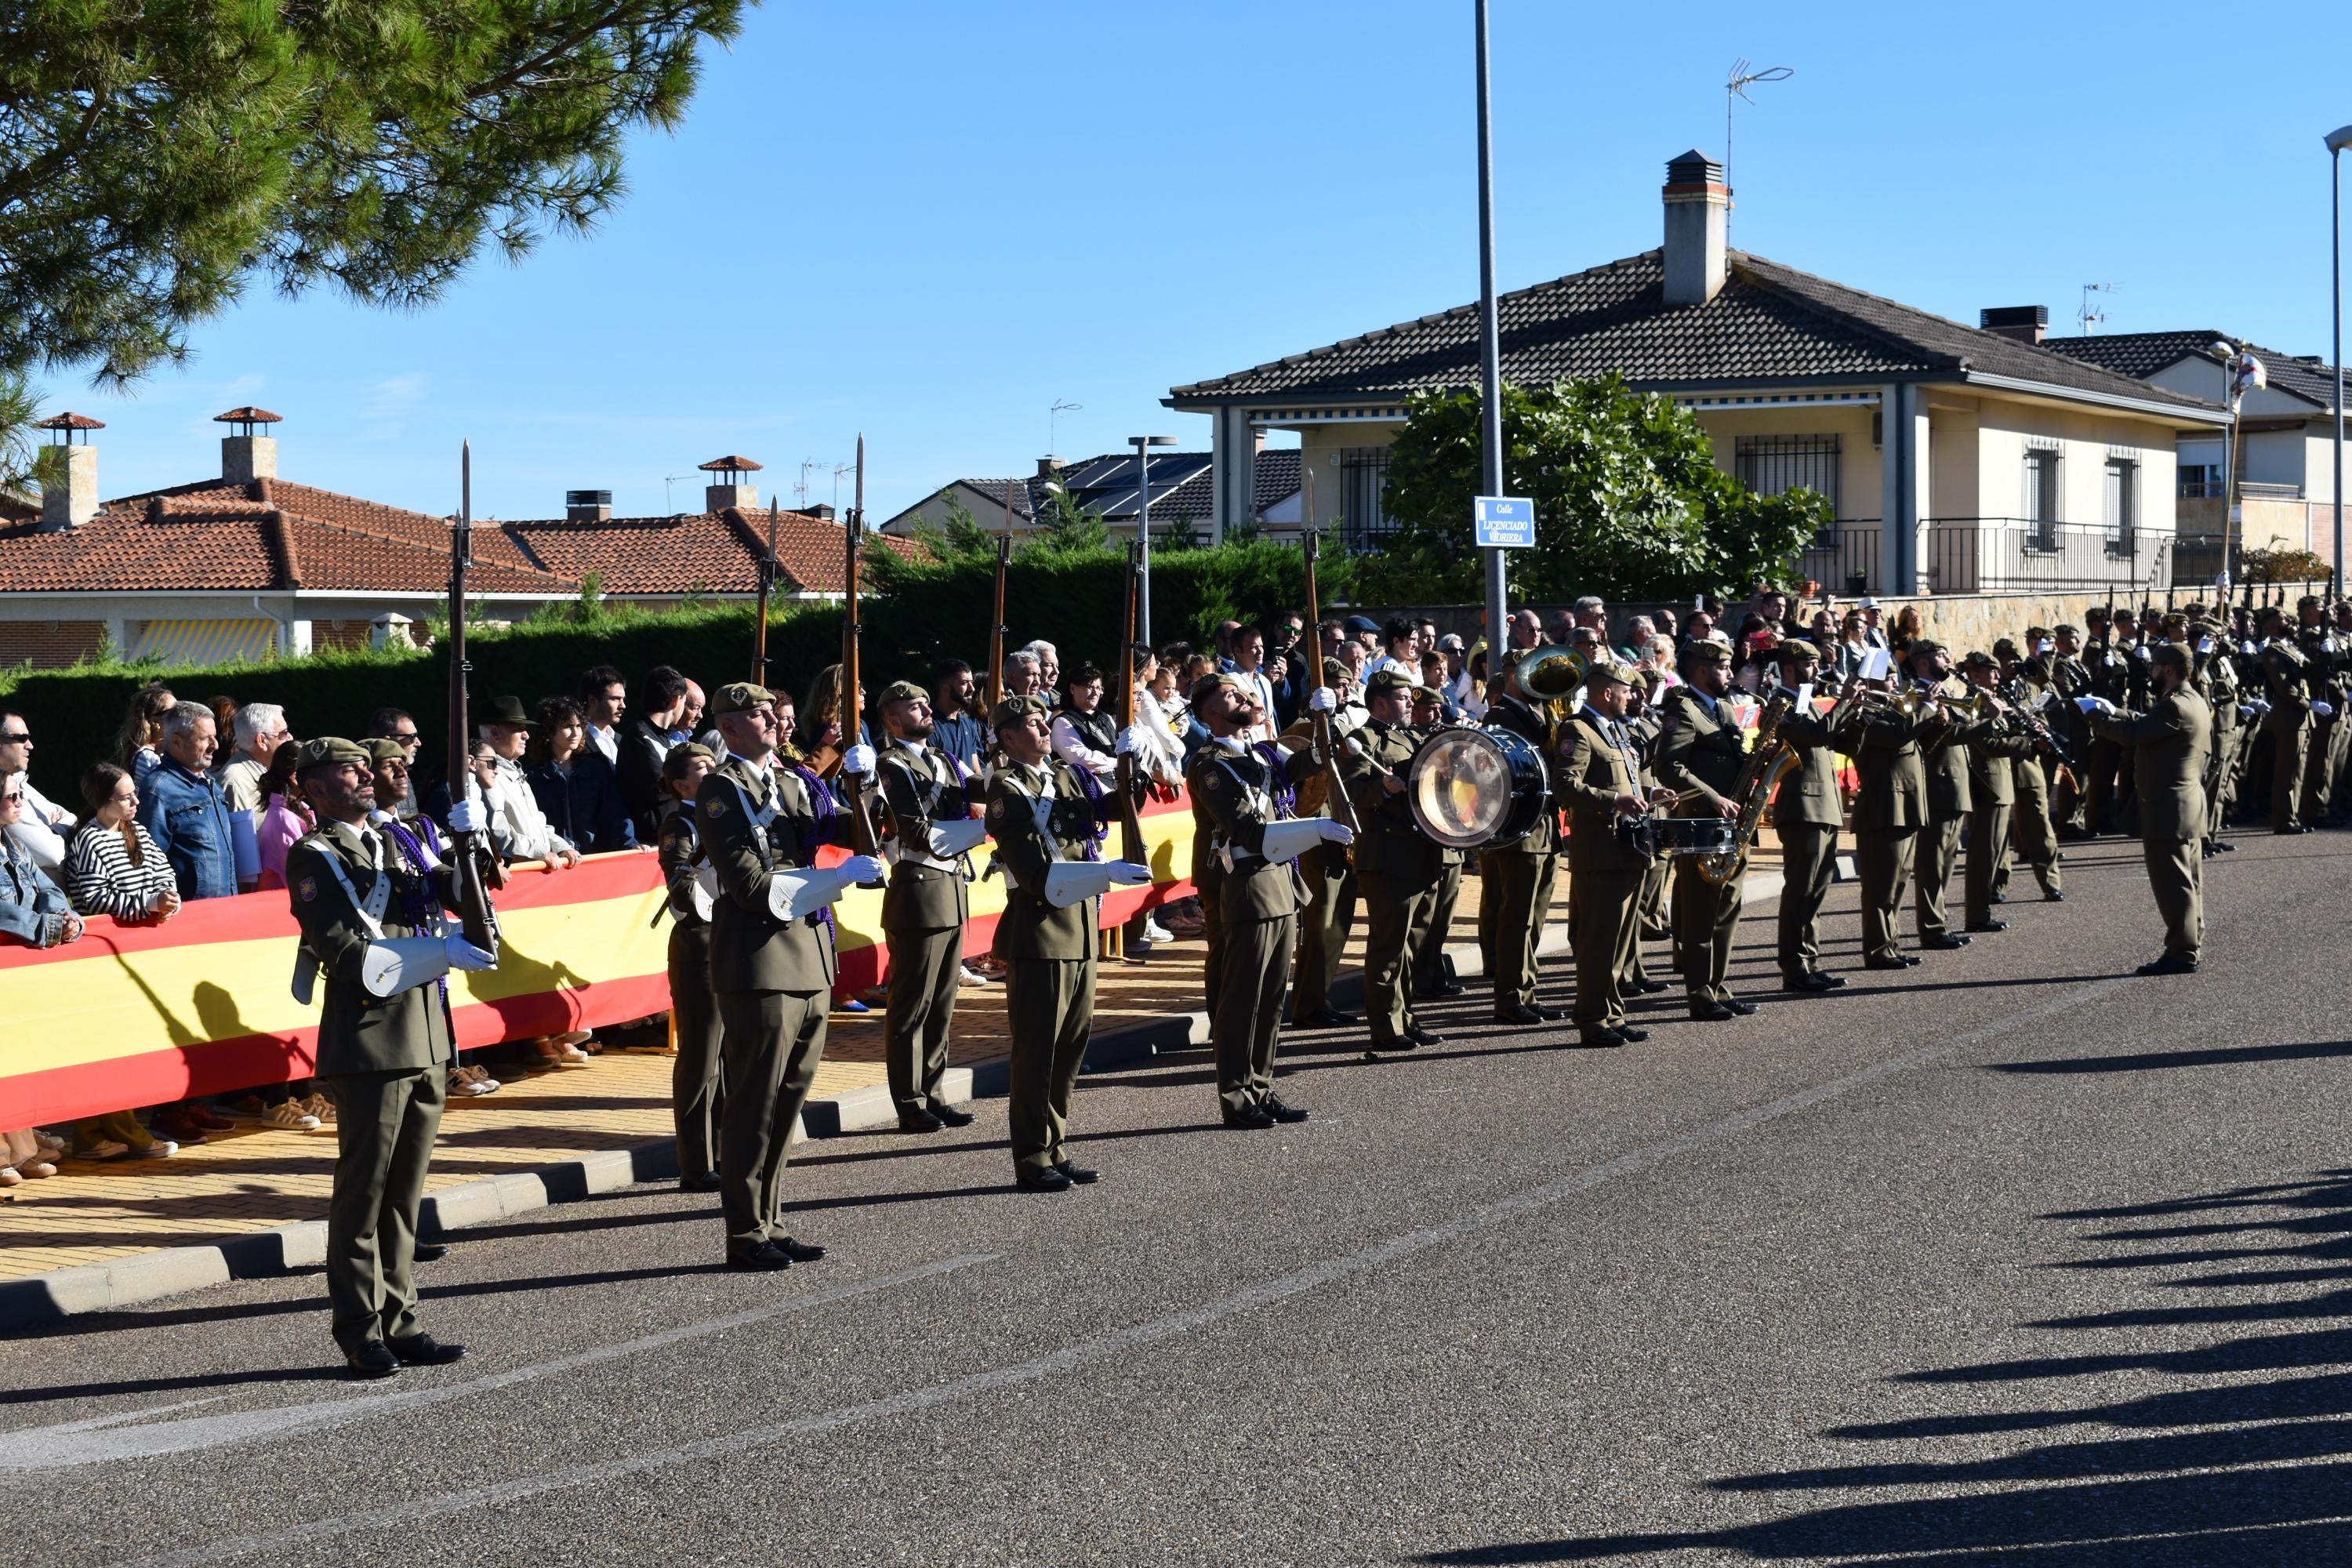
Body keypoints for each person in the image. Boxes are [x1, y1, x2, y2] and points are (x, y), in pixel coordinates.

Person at [283, 736, 492, 1377]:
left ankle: (400, 1320)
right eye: (348, 770)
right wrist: (440, 956)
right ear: (315, 788)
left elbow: (463, 898)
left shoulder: (399, 840)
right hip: (371, 1041)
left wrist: (471, 844)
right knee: (364, 1194)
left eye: (364, 767)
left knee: (405, 1195)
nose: (365, 776)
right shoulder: (314, 856)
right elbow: (347, 954)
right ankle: (358, 1327)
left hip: (426, 1034)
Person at [697, 682, 884, 1271]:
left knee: (788, 1100)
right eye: (758, 714)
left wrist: (868, 786)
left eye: (774, 712)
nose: (776, 720)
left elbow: (849, 832)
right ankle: (745, 1230)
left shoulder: (793, 780)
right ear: (728, 728)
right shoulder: (720, 789)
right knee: (754, 1101)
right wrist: (837, 879)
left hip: (808, 954)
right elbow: (752, 888)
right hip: (760, 958)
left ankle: (771, 1218)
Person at [986, 695, 1147, 1189]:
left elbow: (1119, 807)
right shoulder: (1006, 792)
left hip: (1078, 928)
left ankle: (1054, 1145)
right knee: (1038, 1050)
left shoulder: (1066, 775)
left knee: (1070, 1047)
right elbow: (1036, 874)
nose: (1041, 729)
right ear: (1008, 738)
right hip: (1039, 931)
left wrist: (1129, 765)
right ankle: (1032, 1156)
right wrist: (1104, 872)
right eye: (1031, 724)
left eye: (1042, 721)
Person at [1186, 674, 1345, 1128]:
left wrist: (1323, 719)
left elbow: (1319, 760)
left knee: (1273, 996)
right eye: (1231, 695)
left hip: (1279, 881)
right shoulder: (1209, 764)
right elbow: (1247, 830)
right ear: (1210, 712)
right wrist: (1312, 831)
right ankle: (1237, 1096)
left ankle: (1260, 1085)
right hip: (1250, 882)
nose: (1244, 697)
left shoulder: (1263, 753)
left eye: (1244, 692)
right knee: (1243, 997)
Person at [872, 680, 985, 1134]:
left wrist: (1004, 770)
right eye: (912, 706)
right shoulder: (891, 764)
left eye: (924, 703)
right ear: (892, 720)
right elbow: (915, 829)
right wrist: (984, 832)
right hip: (919, 888)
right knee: (912, 1005)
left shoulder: (941, 759)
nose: (924, 709)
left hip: (952, 887)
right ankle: (909, 1099)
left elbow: (977, 792)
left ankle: (934, 1093)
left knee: (942, 1002)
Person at [366, 738, 500, 1103]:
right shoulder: (369, 834)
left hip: (429, 941)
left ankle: (444, 1068)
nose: (401, 771)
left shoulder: (415, 828)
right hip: (395, 950)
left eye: (402, 764)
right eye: (387, 765)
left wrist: (470, 841)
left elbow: (452, 886)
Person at [2083, 644, 2212, 975]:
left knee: (2173, 884)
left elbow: (2132, 735)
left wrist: (2095, 716)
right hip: (2187, 803)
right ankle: (2190, 942)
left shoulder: (2175, 707)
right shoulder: (2191, 700)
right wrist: (2116, 709)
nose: (2150, 673)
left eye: (2154, 667)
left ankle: (2181, 952)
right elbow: (2146, 722)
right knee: (2189, 880)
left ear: (2168, 669)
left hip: (2167, 807)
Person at [1341, 670, 1446, 1053]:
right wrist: (1381, 790)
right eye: (1403, 698)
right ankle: (1386, 1028)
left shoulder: (1412, 737)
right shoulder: (1361, 741)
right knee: (1388, 947)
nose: (1410, 704)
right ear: (1380, 702)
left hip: (1420, 853)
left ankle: (1406, 1019)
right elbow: (1349, 792)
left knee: (1411, 946)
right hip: (1387, 858)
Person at [1556, 662, 1659, 1048]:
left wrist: (1649, 797)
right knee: (1598, 942)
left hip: (1627, 850)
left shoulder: (1616, 731)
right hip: (1600, 855)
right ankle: (1592, 1019)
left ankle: (1612, 1015)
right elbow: (1566, 786)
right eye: (1626, 690)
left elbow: (1624, 782)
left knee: (1619, 941)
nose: (1631, 696)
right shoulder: (1578, 731)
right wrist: (1615, 801)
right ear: (1605, 693)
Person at [1653, 641, 1753, 1022]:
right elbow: (1670, 767)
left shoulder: (1724, 708)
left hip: (1731, 824)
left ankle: (1719, 987)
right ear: (1701, 672)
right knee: (1700, 914)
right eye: (1724, 668)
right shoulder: (1682, 710)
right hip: (1701, 823)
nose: (1730, 674)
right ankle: (1699, 993)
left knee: (1727, 908)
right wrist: (1712, 797)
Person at [1479, 662, 1568, 1026]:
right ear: (1516, 677)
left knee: (1534, 917)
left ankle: (1526, 992)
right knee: (1516, 918)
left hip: (1543, 827)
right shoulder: (1500, 716)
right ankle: (1510, 998)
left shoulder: (1540, 711)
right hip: (1519, 831)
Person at [655, 742, 723, 1189]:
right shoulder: (682, 822)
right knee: (701, 1054)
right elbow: (680, 883)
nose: (713, 770)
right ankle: (696, 1164)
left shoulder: (722, 812)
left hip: (732, 937)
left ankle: (724, 1150)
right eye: (703, 767)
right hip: (700, 939)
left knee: (730, 1053)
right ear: (681, 785)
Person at [1846, 652, 1940, 970]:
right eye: (1886, 677)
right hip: (1883, 809)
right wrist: (1926, 708)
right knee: (1880, 888)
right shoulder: (1864, 715)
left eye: (1892, 676)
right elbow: (1896, 736)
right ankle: (1877, 950)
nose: (1893, 683)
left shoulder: (1896, 709)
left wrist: (1933, 716)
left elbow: (1919, 741)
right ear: (1869, 682)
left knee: (1898, 884)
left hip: (1907, 806)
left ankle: (1891, 944)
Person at [1768, 643, 1846, 993]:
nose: (1816, 669)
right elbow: (1814, 736)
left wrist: (1852, 708)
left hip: (1823, 806)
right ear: (1789, 668)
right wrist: (1845, 702)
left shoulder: (1806, 700)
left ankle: (1808, 961)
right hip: (1802, 808)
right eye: (1809, 664)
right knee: (1801, 890)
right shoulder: (1784, 702)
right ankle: (1794, 967)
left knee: (1816, 890)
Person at [1907, 641, 1983, 953]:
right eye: (1941, 656)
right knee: (1932, 865)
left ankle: (1940, 924)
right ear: (1923, 664)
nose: (1949, 660)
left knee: (1946, 864)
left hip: (1953, 787)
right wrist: (1985, 723)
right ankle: (1932, 929)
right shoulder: (1916, 695)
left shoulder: (1941, 694)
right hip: (1936, 787)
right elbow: (1942, 736)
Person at [1958, 652, 2038, 935]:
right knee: (1983, 854)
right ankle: (1977, 916)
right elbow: (1989, 744)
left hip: (2000, 784)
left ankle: (1982, 912)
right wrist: (2026, 743)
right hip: (1987, 784)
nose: (1996, 676)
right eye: (1990, 671)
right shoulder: (1976, 703)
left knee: (1992, 853)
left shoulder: (1992, 700)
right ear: (1976, 675)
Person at [136, 702, 239, 900]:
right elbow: (147, 865)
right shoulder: (157, 791)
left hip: (227, 908)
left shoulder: (210, 783)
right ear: (176, 742)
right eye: (205, 738)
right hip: (190, 917)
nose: (215, 745)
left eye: (215, 737)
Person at [65, 763, 181, 927]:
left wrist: (167, 899)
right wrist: (151, 903)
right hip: (111, 936)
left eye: (134, 793)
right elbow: (95, 899)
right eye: (126, 797)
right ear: (103, 800)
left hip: (147, 930)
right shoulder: (90, 840)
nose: (136, 801)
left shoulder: (138, 830)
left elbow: (163, 871)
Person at [472, 695, 581, 868]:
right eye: (519, 729)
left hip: (536, 873)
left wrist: (560, 848)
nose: (527, 736)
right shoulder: (486, 775)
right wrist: (539, 852)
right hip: (514, 880)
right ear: (494, 733)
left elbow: (538, 822)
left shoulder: (515, 771)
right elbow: (497, 833)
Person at [526, 695, 637, 855]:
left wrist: (629, 844)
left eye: (579, 726)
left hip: (594, 859)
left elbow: (615, 813)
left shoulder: (597, 768)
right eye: (567, 726)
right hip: (555, 862)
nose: (575, 732)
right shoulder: (532, 776)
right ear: (548, 731)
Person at [1, 777, 82, 950]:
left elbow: (49, 889)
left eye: (20, 795)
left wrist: (64, 918)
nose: (20, 803)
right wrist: (47, 927)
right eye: (12, 797)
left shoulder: (17, 848)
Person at [616, 665, 691, 844]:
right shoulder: (639, 737)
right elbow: (661, 787)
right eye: (684, 702)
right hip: (651, 843)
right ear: (675, 701)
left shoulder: (665, 737)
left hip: (671, 836)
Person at [0, 710, 70, 873]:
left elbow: (73, 819)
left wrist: (55, 829)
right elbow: (55, 855)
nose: (30, 745)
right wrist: (56, 829)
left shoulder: (17, 780)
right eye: (21, 738)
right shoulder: (6, 793)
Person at [254, 742, 314, 891]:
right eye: (316, 773)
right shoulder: (284, 820)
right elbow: (301, 876)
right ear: (295, 777)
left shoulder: (292, 812)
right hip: (279, 907)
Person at [220, 702, 293, 815]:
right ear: (262, 741)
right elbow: (241, 833)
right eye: (283, 733)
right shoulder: (235, 783)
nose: (290, 738)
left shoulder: (273, 770)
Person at [1051, 662, 1120, 779]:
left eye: (1098, 688)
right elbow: (1082, 760)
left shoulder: (1105, 717)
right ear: (1072, 689)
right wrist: (1119, 763)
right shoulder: (1062, 722)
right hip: (1090, 788)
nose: (1095, 693)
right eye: (1090, 687)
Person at [367, 708, 425, 820]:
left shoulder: (404, 775)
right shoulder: (366, 781)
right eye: (412, 737)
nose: (418, 743)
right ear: (387, 741)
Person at [929, 659, 985, 771]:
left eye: (971, 682)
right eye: (964, 683)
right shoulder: (929, 727)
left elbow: (976, 771)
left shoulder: (968, 724)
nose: (972, 689)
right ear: (945, 689)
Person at [117, 681, 176, 784]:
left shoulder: (165, 752)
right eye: (174, 712)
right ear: (155, 722)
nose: (181, 715)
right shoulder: (146, 757)